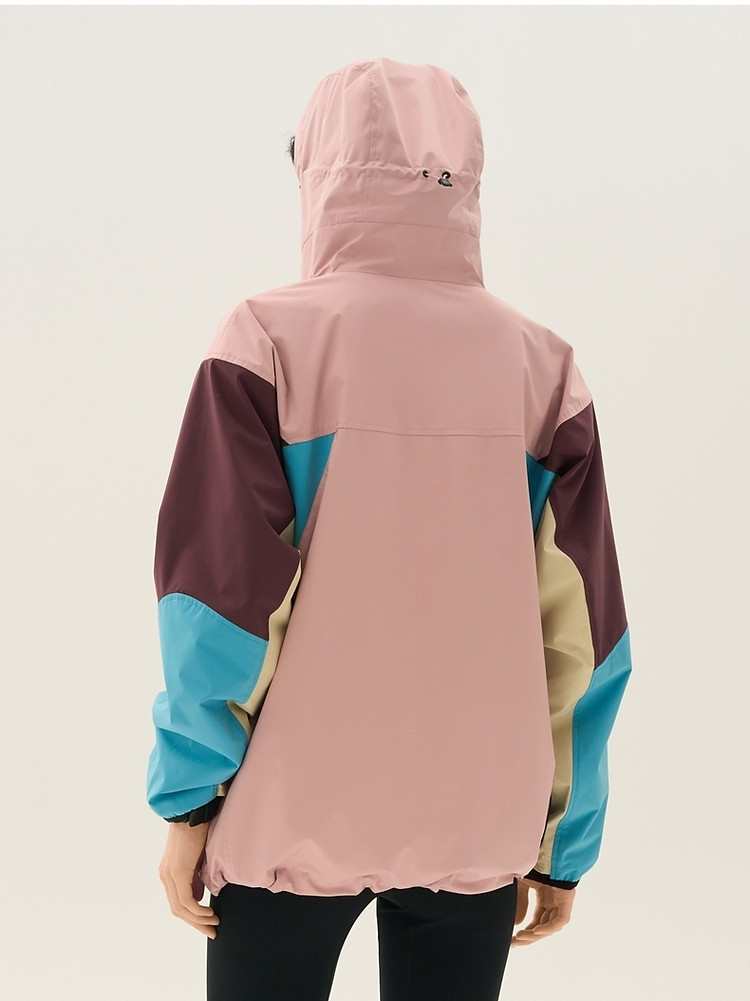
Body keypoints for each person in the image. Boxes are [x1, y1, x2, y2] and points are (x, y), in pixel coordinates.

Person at [146, 57, 632, 1001]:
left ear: (315, 171)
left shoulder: (266, 343)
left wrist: (190, 798)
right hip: (479, 816)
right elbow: (584, 635)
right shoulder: (544, 369)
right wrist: (562, 843)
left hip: (289, 812)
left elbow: (216, 602)